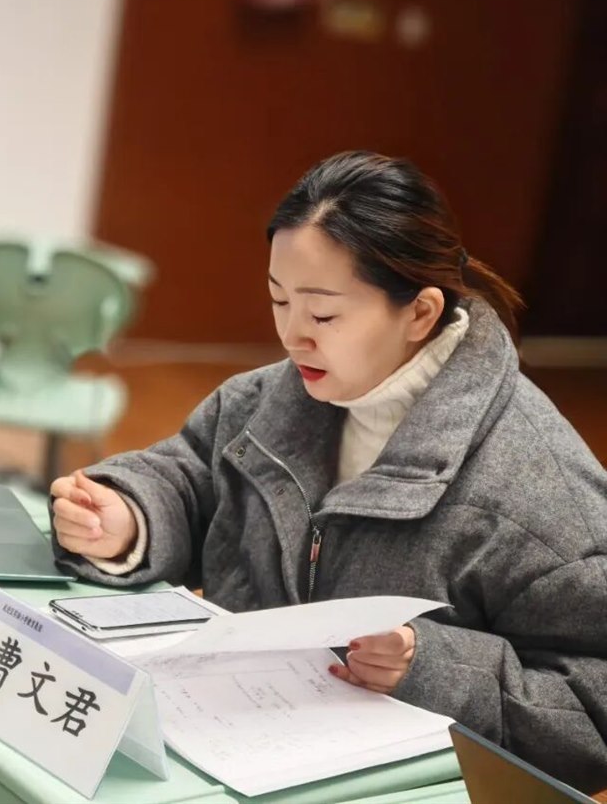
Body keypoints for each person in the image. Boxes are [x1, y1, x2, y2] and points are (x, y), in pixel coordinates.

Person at [50, 151, 607, 792]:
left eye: (322, 314)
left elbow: (592, 707)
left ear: (421, 313)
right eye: (278, 299)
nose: (292, 335)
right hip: (230, 756)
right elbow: (196, 480)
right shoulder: (266, 401)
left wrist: (430, 666)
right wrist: (131, 517)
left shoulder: (536, 489)